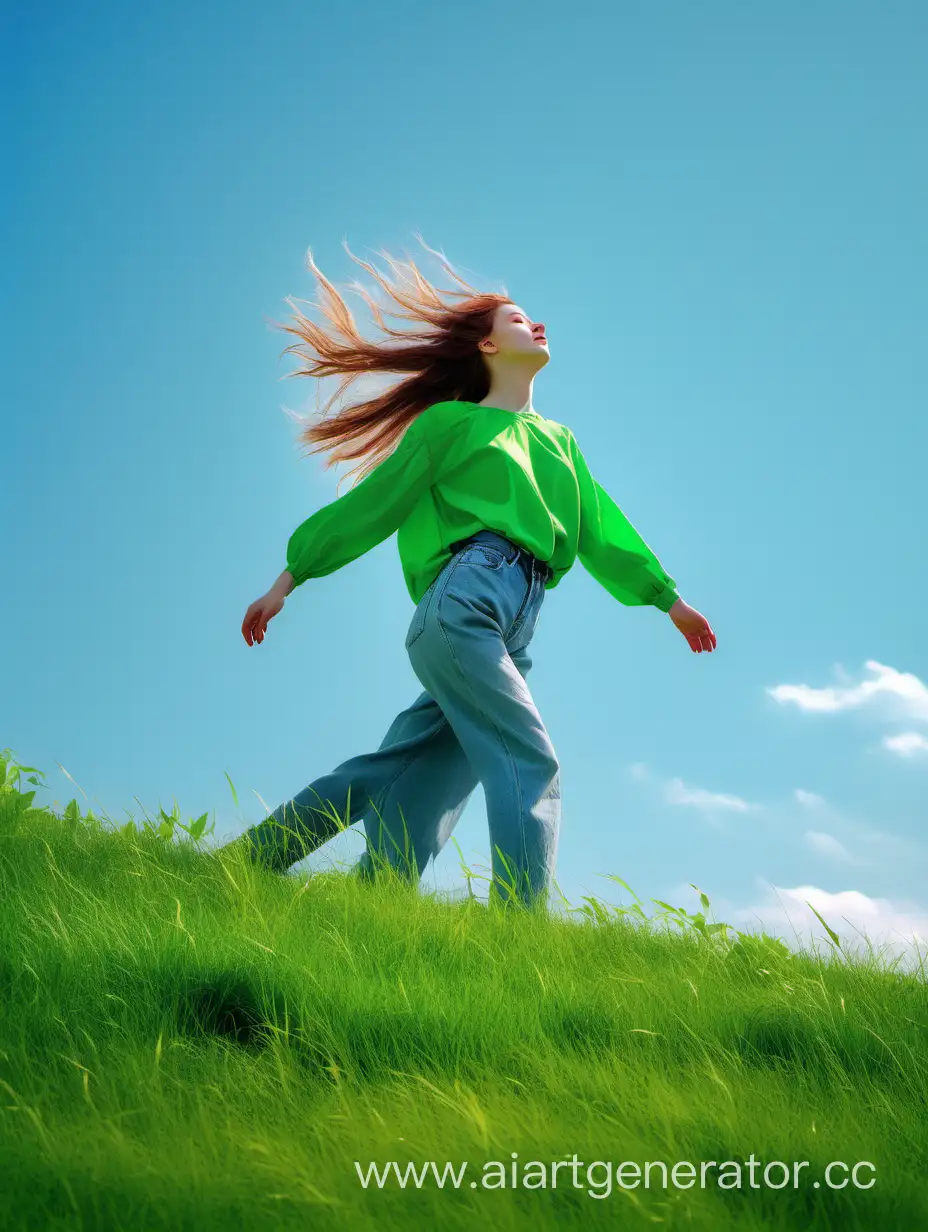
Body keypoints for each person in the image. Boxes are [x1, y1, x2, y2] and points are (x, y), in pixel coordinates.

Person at [221, 234, 717, 909]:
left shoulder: (561, 442)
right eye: (516, 319)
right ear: (486, 347)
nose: (535, 323)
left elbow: (602, 529)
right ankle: (518, 937)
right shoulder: (448, 426)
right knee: (529, 760)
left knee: (410, 783)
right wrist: (289, 578)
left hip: (514, 622)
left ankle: (320, 885)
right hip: (466, 600)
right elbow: (374, 506)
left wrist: (669, 601)